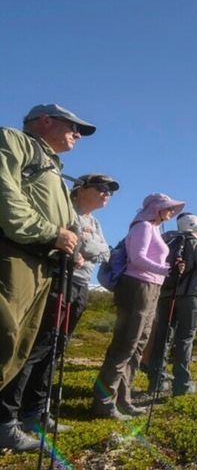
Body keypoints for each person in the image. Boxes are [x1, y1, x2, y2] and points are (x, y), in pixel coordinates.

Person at [0, 105, 96, 452]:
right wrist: (50, 231)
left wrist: (64, 237)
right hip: (14, 251)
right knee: (7, 335)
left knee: (22, 343)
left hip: (40, 261)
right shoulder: (14, 141)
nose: (77, 135)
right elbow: (5, 194)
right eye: (74, 127)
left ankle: (7, 423)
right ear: (45, 122)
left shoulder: (52, 165)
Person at [0, 174, 117, 449]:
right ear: (80, 190)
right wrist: (86, 246)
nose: (107, 193)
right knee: (36, 347)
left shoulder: (94, 222)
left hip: (78, 285)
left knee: (56, 347)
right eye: (101, 187)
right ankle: (9, 417)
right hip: (57, 279)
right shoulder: (66, 209)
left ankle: (36, 412)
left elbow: (104, 251)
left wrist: (89, 246)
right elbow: (81, 245)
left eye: (110, 190)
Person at [92, 193, 185, 420]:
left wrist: (166, 268)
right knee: (126, 344)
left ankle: (123, 399)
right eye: (168, 208)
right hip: (137, 287)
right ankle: (104, 402)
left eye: (173, 208)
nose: (172, 212)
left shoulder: (154, 229)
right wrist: (166, 270)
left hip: (150, 288)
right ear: (156, 208)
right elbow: (137, 258)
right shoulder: (143, 226)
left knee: (138, 345)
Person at [146, 213, 197, 396]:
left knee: (163, 336)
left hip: (165, 295)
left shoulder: (167, 240)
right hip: (190, 295)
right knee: (185, 338)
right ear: (194, 227)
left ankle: (156, 381)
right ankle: (182, 384)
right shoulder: (196, 244)